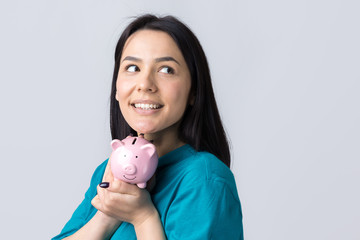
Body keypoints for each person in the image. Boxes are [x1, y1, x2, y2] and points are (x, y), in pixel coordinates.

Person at [52, 14, 244, 240]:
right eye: (132, 68)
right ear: (116, 88)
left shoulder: (205, 179)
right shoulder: (108, 171)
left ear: (194, 91)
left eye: (166, 70)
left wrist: (143, 217)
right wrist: (107, 215)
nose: (145, 84)